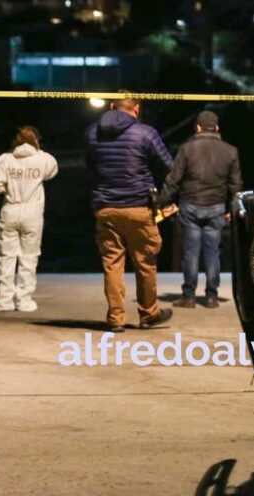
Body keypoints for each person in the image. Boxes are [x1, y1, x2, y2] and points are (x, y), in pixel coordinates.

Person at [84, 97, 174, 332]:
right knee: (145, 262)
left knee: (112, 263)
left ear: (111, 107)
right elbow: (169, 166)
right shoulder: (146, 133)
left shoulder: (92, 133)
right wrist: (162, 198)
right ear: (136, 109)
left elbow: (91, 167)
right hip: (138, 207)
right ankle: (148, 313)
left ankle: (116, 318)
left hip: (106, 206)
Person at [160, 110, 242, 309]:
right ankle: (212, 297)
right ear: (217, 128)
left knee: (191, 253)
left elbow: (174, 180)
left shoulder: (186, 149)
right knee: (213, 252)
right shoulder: (231, 151)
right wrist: (233, 207)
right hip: (216, 207)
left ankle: (188, 296)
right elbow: (236, 184)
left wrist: (160, 202)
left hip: (190, 205)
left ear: (197, 127)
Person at [0, 126, 59, 312]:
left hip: (10, 209)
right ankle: (24, 300)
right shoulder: (44, 158)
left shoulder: (4, 159)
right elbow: (51, 173)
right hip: (32, 211)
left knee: (6, 257)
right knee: (29, 257)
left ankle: (4, 300)